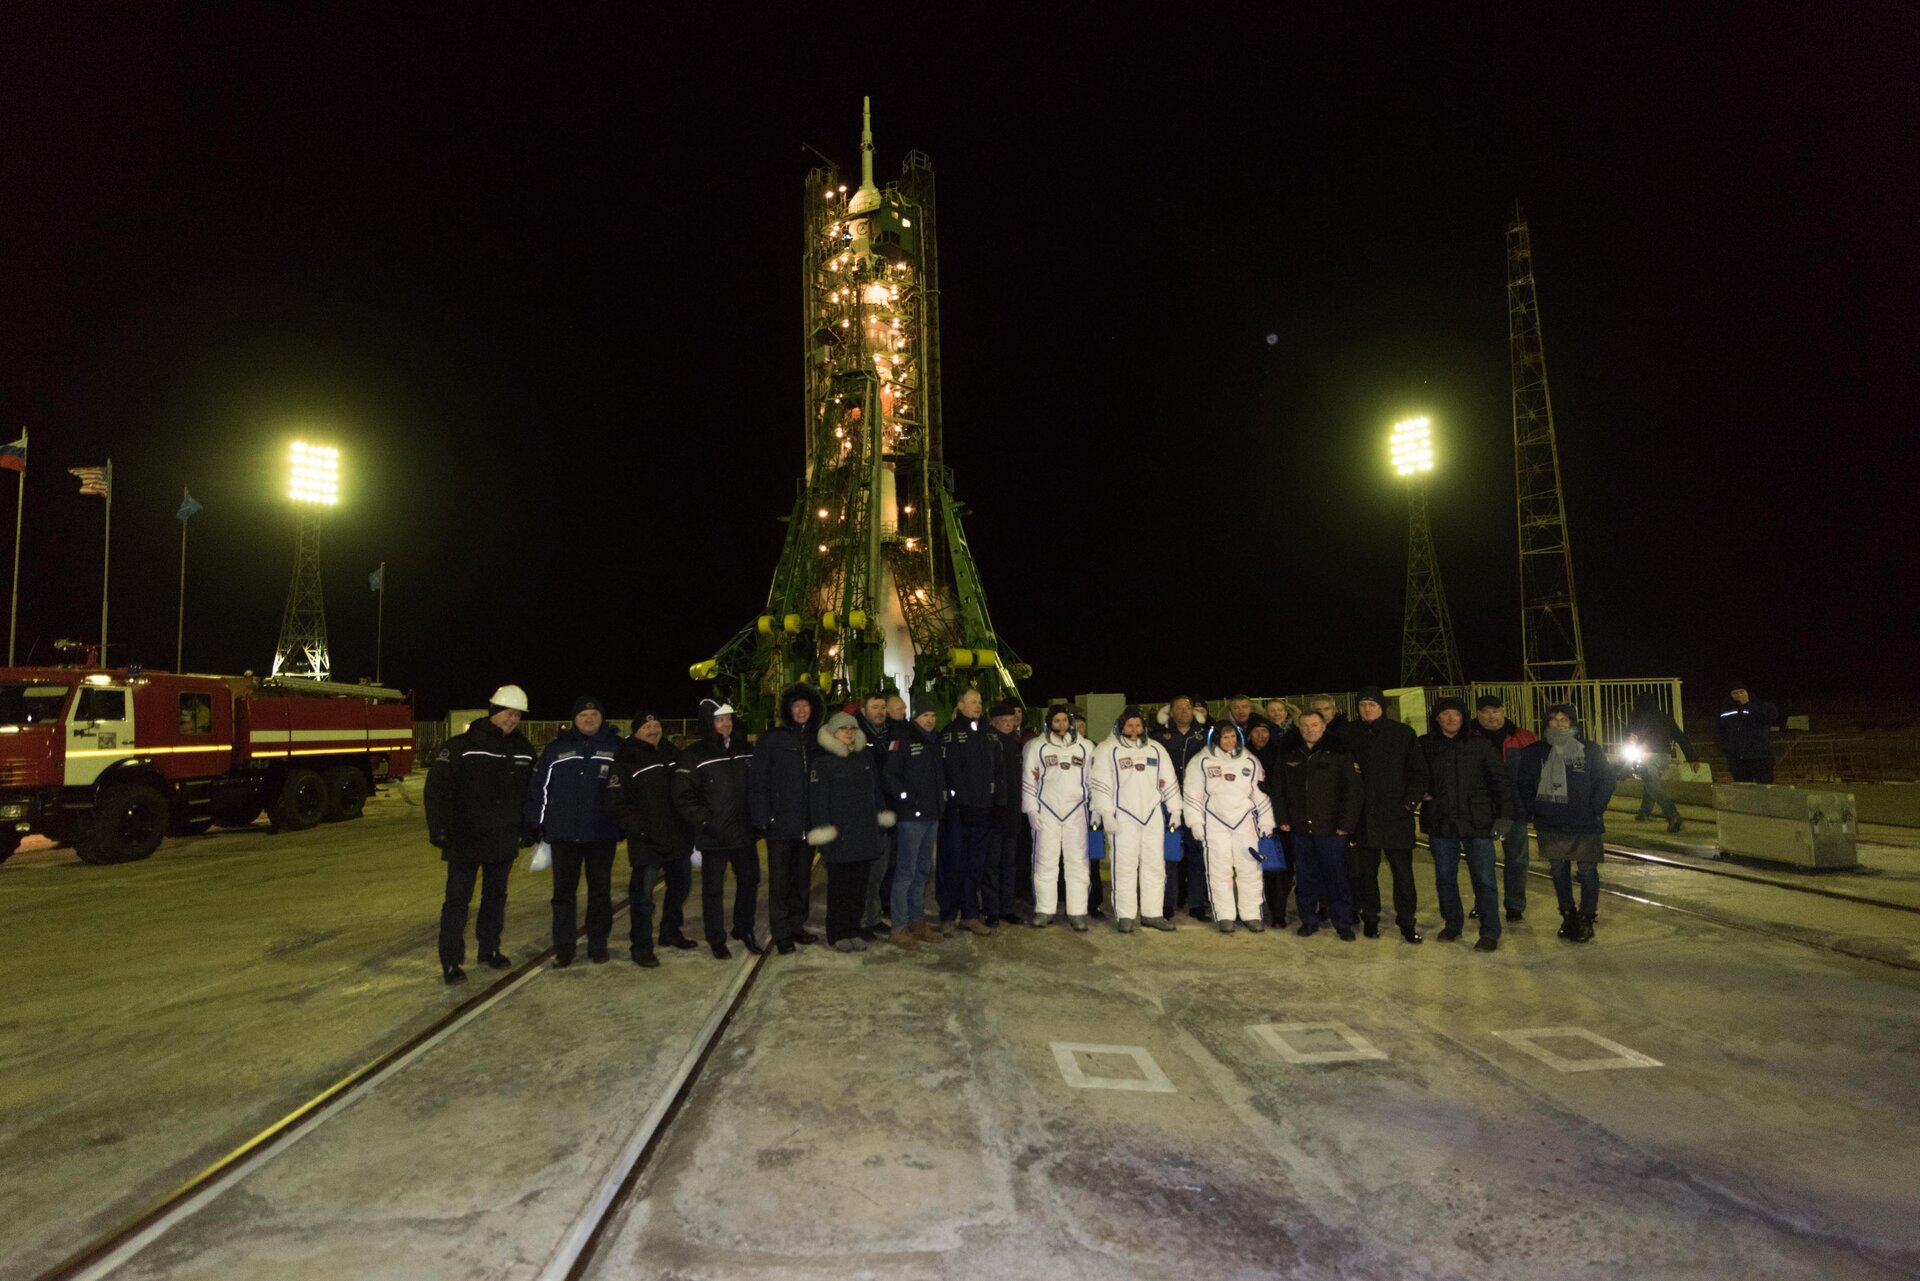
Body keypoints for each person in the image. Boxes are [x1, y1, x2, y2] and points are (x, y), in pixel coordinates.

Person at [425, 685, 536, 984]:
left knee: (495, 898)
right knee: (457, 901)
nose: (512, 719)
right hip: (465, 838)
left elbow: (530, 794)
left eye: (517, 715)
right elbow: (437, 790)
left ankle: (489, 949)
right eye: (507, 713)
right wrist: (439, 829)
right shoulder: (461, 746)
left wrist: (528, 827)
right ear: (493, 711)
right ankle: (451, 961)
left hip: (503, 838)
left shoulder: (524, 751)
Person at [527, 696, 625, 967]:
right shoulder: (556, 749)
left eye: (594, 714)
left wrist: (623, 822)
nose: (589, 719)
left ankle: (598, 945)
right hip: (563, 834)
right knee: (563, 896)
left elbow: (627, 790)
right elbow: (539, 788)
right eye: (584, 715)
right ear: (575, 719)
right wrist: (536, 823)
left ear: (602, 718)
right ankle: (564, 948)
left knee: (600, 892)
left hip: (601, 833)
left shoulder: (616, 748)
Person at [1514, 704, 1617, 943]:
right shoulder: (1534, 751)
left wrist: (1594, 809)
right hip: (1550, 822)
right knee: (1559, 870)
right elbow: (1524, 783)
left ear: (1573, 723)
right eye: (1554, 719)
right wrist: (1536, 808)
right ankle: (1568, 916)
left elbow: (1605, 781)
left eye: (1564, 719)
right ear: (1546, 723)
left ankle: (1587, 918)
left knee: (1587, 871)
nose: (1559, 724)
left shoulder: (1590, 750)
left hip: (1585, 822)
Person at [1420, 696, 1512, 952]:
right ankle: (1453, 923)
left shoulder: (1480, 745)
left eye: (1456, 714)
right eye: (1445, 714)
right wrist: (1420, 791)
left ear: (1463, 718)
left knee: (1484, 879)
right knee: (1445, 877)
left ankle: (1490, 931)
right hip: (1441, 821)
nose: (1451, 718)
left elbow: (1500, 782)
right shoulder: (1425, 745)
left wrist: (1504, 816)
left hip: (1478, 821)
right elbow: (1411, 773)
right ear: (1436, 718)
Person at [671, 698, 760, 959]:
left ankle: (743, 928)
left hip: (744, 833)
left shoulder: (744, 749)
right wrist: (707, 822)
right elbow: (683, 796)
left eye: (729, 719)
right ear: (709, 723)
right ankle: (716, 937)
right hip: (714, 834)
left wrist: (757, 819)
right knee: (713, 889)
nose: (726, 724)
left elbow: (756, 787)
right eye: (720, 720)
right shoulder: (694, 755)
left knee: (750, 880)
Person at [607, 710, 695, 967]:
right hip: (647, 842)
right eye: (647, 727)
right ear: (636, 731)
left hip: (677, 837)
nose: (653, 729)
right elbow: (618, 804)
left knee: (680, 888)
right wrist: (643, 830)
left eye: (656, 724)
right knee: (643, 898)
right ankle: (641, 946)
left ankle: (670, 931)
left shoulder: (673, 755)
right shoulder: (625, 760)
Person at [1344, 686, 1429, 943]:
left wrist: (1408, 804)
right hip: (1364, 817)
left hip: (1396, 816)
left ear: (1382, 707)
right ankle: (1370, 917)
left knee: (1403, 873)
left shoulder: (1402, 734)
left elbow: (1419, 772)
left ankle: (1407, 921)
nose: (1367, 709)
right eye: (1362, 704)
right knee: (1367, 873)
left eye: (1372, 704)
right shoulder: (1349, 734)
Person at [806, 711, 895, 952]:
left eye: (852, 729)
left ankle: (854, 928)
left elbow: (875, 793)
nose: (849, 732)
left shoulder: (864, 757)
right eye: (843, 729)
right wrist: (826, 835)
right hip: (840, 837)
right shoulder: (823, 763)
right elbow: (818, 803)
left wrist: (880, 819)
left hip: (863, 835)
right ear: (833, 733)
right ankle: (837, 933)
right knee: (839, 890)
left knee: (858, 888)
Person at [1089, 704, 1182, 932]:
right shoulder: (1107, 749)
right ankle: (1126, 915)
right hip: (1123, 817)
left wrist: (1176, 810)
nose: (1134, 729)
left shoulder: (1156, 749)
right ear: (1121, 726)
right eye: (1130, 724)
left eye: (1138, 725)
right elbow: (1100, 784)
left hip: (1152, 816)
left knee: (1155, 867)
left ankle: (1153, 913)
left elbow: (1169, 780)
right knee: (1125, 867)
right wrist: (1106, 813)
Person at [749, 681, 826, 955]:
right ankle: (781, 932)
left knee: (803, 879)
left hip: (808, 825)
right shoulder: (773, 739)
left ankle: (797, 925)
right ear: (788, 709)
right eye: (796, 705)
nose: (801, 710)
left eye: (806, 705)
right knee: (780, 882)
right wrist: (763, 818)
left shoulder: (819, 739)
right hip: (780, 825)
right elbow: (758, 781)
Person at [1270, 710, 1362, 939]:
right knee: (1306, 878)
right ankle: (1308, 920)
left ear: (1323, 727)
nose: (1310, 729)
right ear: (1299, 728)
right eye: (1305, 725)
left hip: (1331, 829)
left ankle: (1342, 923)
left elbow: (1353, 791)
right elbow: (1278, 789)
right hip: (1300, 829)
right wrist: (1282, 818)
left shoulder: (1338, 753)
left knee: (1337, 878)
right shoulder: (1290, 753)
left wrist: (1346, 824)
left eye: (1314, 725)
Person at [1183, 721, 1276, 933]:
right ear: (1215, 739)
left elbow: (1260, 793)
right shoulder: (1201, 761)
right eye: (1225, 737)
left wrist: (1266, 820)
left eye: (1233, 737)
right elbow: (1192, 795)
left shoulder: (1250, 760)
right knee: (1219, 870)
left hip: (1244, 822)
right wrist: (1195, 822)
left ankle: (1251, 914)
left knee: (1250, 869)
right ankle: (1224, 914)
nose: (1230, 741)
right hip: (1215, 822)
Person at [1024, 703, 1096, 930]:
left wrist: (1095, 810)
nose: (1061, 725)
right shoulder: (1037, 747)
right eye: (1057, 721)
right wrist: (1031, 810)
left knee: (1078, 863)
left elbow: (1093, 781)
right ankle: (1044, 910)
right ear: (1049, 723)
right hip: (1047, 812)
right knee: (1045, 862)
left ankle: (1077, 912)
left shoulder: (1085, 747)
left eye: (1065, 721)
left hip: (1077, 813)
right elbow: (1029, 781)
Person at [1471, 694, 1539, 921]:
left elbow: (1540, 772)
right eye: (1485, 712)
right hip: (1480, 810)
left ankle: (1514, 905)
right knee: (1481, 861)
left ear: (1503, 710)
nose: (1491, 716)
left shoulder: (1525, 738)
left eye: (1495, 710)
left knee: (1517, 859)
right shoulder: (1468, 737)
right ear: (1478, 714)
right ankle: (1483, 903)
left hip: (1516, 809)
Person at [883, 703, 946, 950]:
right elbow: (890, 775)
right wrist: (908, 799)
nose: (929, 719)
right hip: (912, 818)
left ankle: (916, 922)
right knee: (906, 873)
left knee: (922, 872)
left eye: (932, 714)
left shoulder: (934, 741)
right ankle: (899, 926)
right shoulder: (903, 739)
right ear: (915, 717)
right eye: (924, 715)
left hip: (932, 815)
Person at [938, 688, 1000, 935]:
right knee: (953, 865)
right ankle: (947, 915)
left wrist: (994, 801)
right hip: (958, 813)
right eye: (973, 701)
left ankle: (970, 914)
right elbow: (949, 773)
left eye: (980, 701)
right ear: (960, 705)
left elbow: (996, 772)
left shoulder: (987, 734)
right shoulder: (950, 735)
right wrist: (959, 803)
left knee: (976, 865)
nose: (978, 705)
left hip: (982, 811)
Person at [1152, 695, 1213, 921]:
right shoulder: (1158, 736)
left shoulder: (1205, 734)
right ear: (1171, 711)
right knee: (1170, 854)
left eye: (1187, 708)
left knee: (1197, 855)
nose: (1184, 711)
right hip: (1169, 805)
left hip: (1196, 804)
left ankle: (1197, 904)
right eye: (1179, 708)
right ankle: (1168, 903)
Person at [1625, 691, 1696, 832]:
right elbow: (1681, 737)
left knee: (1652, 785)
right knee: (1650, 781)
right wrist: (1692, 758)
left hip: (1645, 756)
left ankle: (1672, 815)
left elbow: (1631, 738)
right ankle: (1644, 813)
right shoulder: (1665, 718)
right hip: (1664, 757)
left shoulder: (1637, 717)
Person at [1245, 720, 1293, 927]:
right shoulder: (1241, 755)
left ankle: (1278, 912)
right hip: (1245, 820)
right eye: (1256, 730)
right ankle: (1250, 909)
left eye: (1264, 730)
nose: (1260, 735)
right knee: (1249, 867)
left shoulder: (1280, 754)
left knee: (1277, 868)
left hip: (1274, 820)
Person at [859, 691, 899, 934]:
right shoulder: (860, 739)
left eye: (883, 707)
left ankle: (873, 918)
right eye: (875, 707)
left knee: (880, 871)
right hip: (868, 815)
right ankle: (864, 920)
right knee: (868, 873)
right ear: (864, 711)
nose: (880, 711)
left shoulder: (887, 736)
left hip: (887, 811)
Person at [986, 699, 1029, 925]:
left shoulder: (1015, 745)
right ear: (993, 723)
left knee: (1009, 864)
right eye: (1003, 721)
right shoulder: (990, 746)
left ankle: (1007, 907)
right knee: (992, 864)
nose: (1008, 724)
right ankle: (992, 909)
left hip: (1012, 814)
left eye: (1011, 721)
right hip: (995, 815)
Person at [1072, 708, 1107, 919]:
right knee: (1073, 859)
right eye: (1076, 724)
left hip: (1093, 812)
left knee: (1093, 857)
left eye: (1083, 725)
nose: (1080, 728)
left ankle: (1094, 903)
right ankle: (1072, 900)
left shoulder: (1095, 748)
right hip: (1071, 813)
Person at [1715, 683, 1779, 784]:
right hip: (1737, 758)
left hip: (1760, 756)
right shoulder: (1725, 709)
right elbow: (1719, 730)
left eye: (1741, 692)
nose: (1739, 695)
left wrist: (1747, 704)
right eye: (1735, 693)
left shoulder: (1761, 705)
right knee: (1743, 789)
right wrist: (1726, 748)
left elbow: (1768, 718)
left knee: (1764, 788)